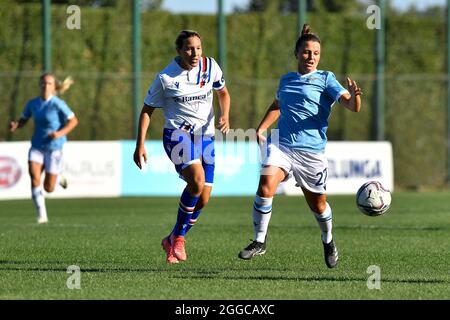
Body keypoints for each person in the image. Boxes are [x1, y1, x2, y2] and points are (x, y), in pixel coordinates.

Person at [238, 24, 362, 268]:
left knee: (318, 205)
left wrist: (355, 96)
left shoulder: (326, 79)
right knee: (265, 187)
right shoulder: (287, 80)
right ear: (296, 54)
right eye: (306, 52)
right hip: (282, 146)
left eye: (316, 53)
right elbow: (277, 105)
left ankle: (328, 241)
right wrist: (261, 128)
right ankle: (259, 241)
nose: (311, 57)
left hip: (311, 153)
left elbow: (352, 106)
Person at [133, 30, 231, 264]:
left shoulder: (210, 66)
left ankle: (174, 237)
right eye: (189, 48)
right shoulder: (166, 78)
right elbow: (147, 110)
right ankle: (179, 239)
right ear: (179, 51)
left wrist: (225, 115)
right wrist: (140, 144)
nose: (195, 53)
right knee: (196, 182)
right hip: (178, 135)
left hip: (205, 137)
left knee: (203, 198)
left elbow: (223, 93)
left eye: (198, 47)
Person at [9, 73, 78, 224]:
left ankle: (59, 174)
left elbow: (73, 121)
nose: (45, 86)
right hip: (37, 146)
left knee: (49, 188)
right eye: (43, 83)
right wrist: (16, 125)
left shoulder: (58, 104)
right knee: (34, 178)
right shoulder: (32, 104)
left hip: (54, 148)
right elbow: (24, 119)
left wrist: (59, 133)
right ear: (39, 85)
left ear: (54, 86)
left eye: (49, 84)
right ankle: (42, 215)